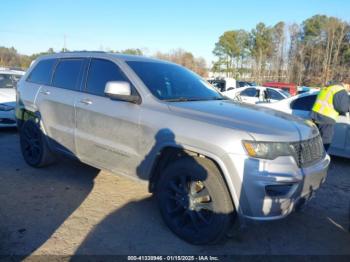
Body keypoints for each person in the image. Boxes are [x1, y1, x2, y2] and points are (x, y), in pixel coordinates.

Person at [311, 81, 350, 151]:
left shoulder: (328, 88)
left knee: (314, 141)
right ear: (347, 84)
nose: (348, 90)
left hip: (315, 116)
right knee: (325, 142)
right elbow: (343, 108)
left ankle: (311, 158)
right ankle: (320, 159)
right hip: (326, 119)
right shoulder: (340, 90)